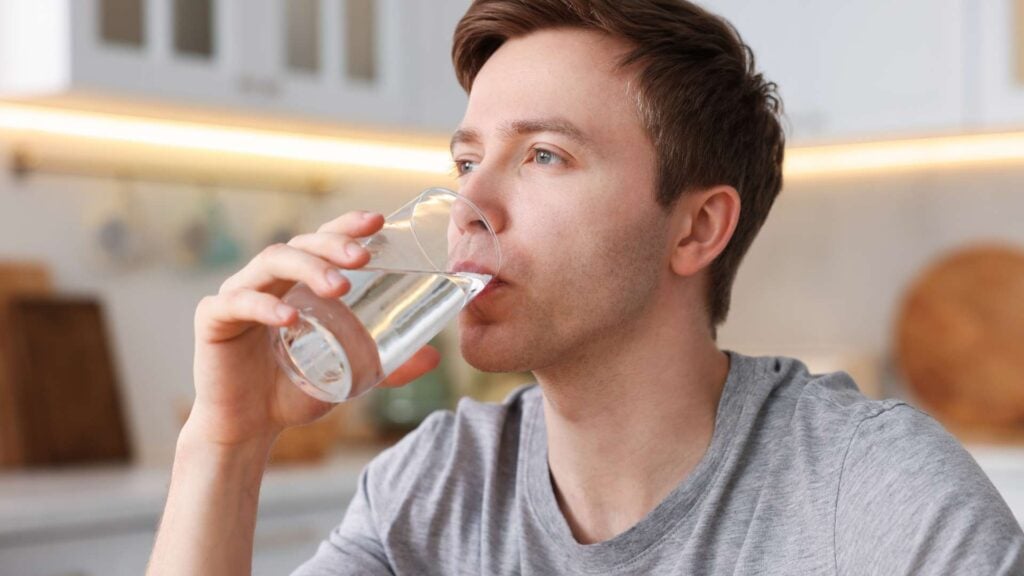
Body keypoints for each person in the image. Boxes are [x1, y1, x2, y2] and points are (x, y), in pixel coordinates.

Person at [147, 1, 1024, 574]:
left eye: (544, 156)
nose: (469, 206)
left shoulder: (874, 498)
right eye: (464, 161)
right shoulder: (434, 489)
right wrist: (226, 441)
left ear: (695, 229)